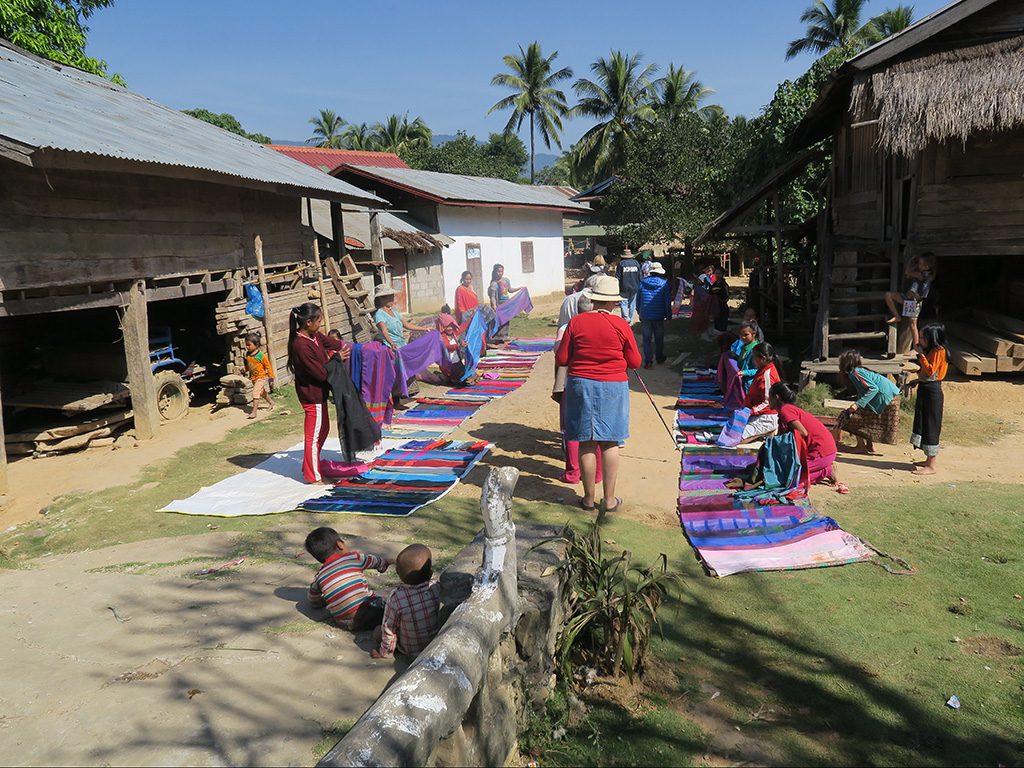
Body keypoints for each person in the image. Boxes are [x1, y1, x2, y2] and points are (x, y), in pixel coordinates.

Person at [555, 275, 642, 514]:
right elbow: (635, 361)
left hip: (581, 385)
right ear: (613, 302)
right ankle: (610, 499)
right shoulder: (621, 325)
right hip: (613, 386)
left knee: (586, 441)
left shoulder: (576, 323)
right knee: (610, 441)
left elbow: (562, 358)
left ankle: (588, 498)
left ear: (593, 300)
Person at [287, 302, 351, 483]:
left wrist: (355, 348)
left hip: (319, 394)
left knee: (323, 430)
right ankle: (313, 476)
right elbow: (321, 373)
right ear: (308, 322)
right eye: (319, 320)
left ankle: (309, 464)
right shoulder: (301, 345)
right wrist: (336, 358)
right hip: (311, 395)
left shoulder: (314, 336)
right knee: (314, 435)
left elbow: (331, 342)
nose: (321, 323)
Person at [305, 527, 391, 631]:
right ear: (340, 545)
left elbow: (312, 599)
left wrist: (320, 602)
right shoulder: (353, 558)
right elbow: (376, 562)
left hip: (344, 623)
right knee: (388, 597)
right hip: (369, 612)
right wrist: (385, 564)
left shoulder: (319, 576)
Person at [769, 383, 846, 492]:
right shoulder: (786, 412)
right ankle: (822, 468)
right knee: (780, 471)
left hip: (821, 452)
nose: (767, 399)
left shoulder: (786, 410)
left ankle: (826, 470)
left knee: (787, 479)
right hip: (824, 450)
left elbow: (802, 432)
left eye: (769, 396)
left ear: (776, 397)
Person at [371, 544, 441, 659]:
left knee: (378, 631)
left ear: (398, 573)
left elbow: (389, 629)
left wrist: (384, 652)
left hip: (410, 650)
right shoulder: (436, 588)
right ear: (430, 573)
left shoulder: (396, 597)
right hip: (433, 646)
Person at [835, 349, 902, 454]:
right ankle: (869, 446)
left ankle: (861, 446)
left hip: (886, 396)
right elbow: (864, 391)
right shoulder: (859, 371)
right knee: (866, 417)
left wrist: (857, 404)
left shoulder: (855, 373)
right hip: (892, 395)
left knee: (856, 417)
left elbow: (873, 388)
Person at [907, 323, 948, 475]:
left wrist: (920, 355)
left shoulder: (939, 351)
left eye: (923, 337)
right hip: (926, 389)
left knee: (931, 425)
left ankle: (931, 465)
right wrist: (917, 381)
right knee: (923, 422)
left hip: (933, 392)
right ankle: (928, 460)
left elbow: (931, 370)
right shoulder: (931, 350)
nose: (921, 340)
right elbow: (926, 373)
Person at [885, 252, 937, 348]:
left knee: (913, 325)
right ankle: (897, 316)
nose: (919, 266)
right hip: (909, 298)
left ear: (928, 266)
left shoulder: (924, 275)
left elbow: (907, 273)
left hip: (914, 301)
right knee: (888, 295)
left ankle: (917, 346)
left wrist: (910, 261)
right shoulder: (922, 273)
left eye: (922, 264)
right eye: (919, 263)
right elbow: (908, 275)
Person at [739, 342, 782, 443]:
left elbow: (767, 402)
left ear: (763, 358)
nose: (753, 361)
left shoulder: (767, 376)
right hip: (758, 414)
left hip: (766, 416)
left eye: (754, 358)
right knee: (732, 429)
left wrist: (750, 411)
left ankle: (768, 429)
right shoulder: (764, 370)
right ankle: (762, 433)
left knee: (735, 438)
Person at [374, 284, 430, 351]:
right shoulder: (379, 315)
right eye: (390, 298)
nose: (393, 300)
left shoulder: (394, 311)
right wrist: (392, 343)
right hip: (390, 347)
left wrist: (425, 329)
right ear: (381, 299)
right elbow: (385, 332)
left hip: (402, 344)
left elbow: (407, 325)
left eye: (393, 297)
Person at [637, 261, 670, 369]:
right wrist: (668, 314)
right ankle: (659, 357)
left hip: (645, 314)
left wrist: (639, 310)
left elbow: (638, 299)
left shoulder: (642, 283)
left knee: (647, 338)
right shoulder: (664, 284)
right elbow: (667, 301)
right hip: (659, 315)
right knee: (659, 337)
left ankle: (648, 361)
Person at [243, 330, 275, 419]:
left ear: (256, 345)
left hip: (261, 377)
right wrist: (244, 371)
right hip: (253, 378)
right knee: (261, 393)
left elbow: (268, 366)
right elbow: (248, 366)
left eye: (249, 345)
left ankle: (254, 412)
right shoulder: (248, 355)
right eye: (246, 344)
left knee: (255, 393)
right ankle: (271, 402)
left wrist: (271, 377)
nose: (247, 347)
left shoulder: (261, 355)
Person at [729, 320, 761, 390]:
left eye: (746, 335)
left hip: (750, 386)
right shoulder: (744, 346)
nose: (742, 337)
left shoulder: (756, 350)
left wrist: (744, 372)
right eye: (740, 334)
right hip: (742, 383)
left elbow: (758, 370)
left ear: (754, 334)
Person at [488, 264, 515, 344]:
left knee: (507, 320)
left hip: (507, 303)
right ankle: (498, 337)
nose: (500, 273)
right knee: (500, 321)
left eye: (501, 271)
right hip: (500, 304)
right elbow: (492, 296)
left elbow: (510, 290)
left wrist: (519, 288)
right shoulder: (494, 283)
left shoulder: (506, 280)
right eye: (498, 271)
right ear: (495, 272)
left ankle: (505, 336)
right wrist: (494, 305)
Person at [617, 248, 642, 323]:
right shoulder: (636, 263)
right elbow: (640, 276)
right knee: (632, 304)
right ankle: (630, 320)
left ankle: (626, 317)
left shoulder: (621, 264)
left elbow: (618, 277)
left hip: (624, 286)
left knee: (624, 303)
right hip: (635, 286)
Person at [710, 264, 730, 333]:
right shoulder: (715, 283)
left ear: (722, 274)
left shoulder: (724, 285)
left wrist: (719, 299)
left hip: (722, 308)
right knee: (717, 325)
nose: (717, 275)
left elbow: (726, 297)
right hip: (716, 307)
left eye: (719, 273)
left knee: (722, 327)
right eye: (716, 273)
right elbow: (711, 290)